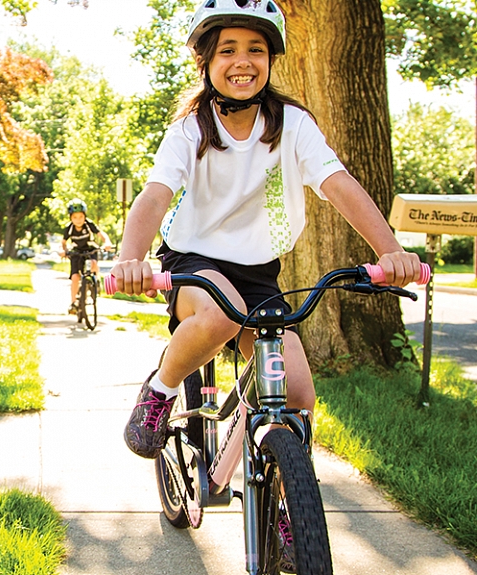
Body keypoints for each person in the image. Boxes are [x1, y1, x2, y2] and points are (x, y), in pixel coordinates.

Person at [110, 0, 422, 461]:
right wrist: (131, 258)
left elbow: (339, 185)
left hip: (259, 272)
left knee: (296, 395)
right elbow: (155, 196)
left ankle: (288, 501)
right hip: (193, 261)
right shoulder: (191, 129)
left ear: (271, 59)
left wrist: (391, 251)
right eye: (227, 50)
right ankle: (160, 390)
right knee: (221, 315)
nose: (243, 61)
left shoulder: (292, 125)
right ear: (206, 62)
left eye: (256, 49)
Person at [62, 198, 112, 314]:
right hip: (76, 252)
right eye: (75, 217)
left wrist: (107, 242)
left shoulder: (89, 225)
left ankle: (96, 279)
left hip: (90, 249)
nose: (78, 220)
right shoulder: (69, 229)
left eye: (80, 217)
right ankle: (74, 303)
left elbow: (101, 234)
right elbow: (63, 243)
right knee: (75, 277)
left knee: (94, 264)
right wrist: (63, 251)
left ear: (85, 216)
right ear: (70, 218)